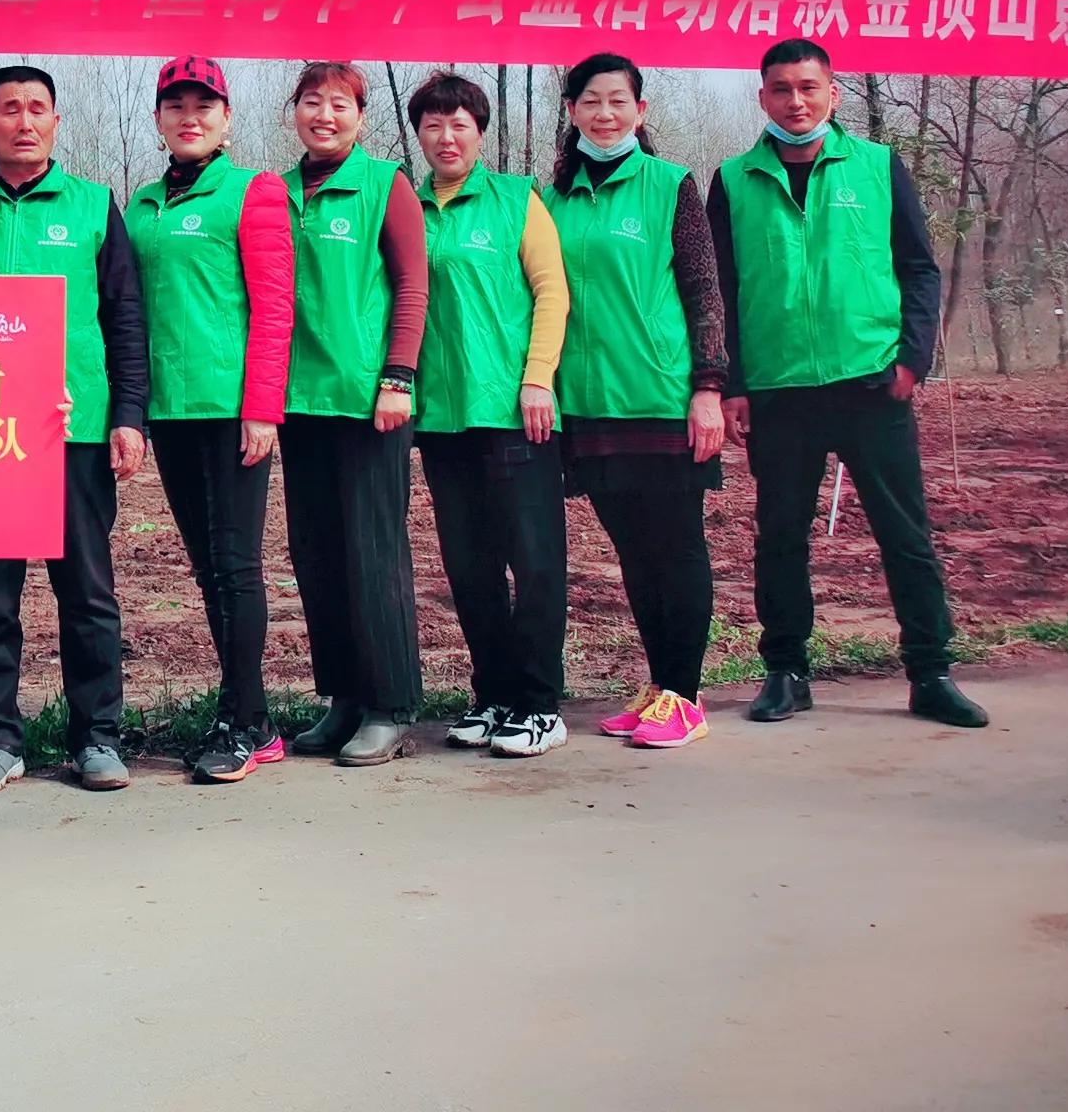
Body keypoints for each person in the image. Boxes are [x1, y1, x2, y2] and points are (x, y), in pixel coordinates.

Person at [708, 38, 985, 730]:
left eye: (808, 88)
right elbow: (722, 290)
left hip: (871, 385)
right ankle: (786, 672)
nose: (795, 101)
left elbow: (918, 268)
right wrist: (733, 382)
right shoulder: (733, 181)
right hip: (779, 392)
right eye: (781, 89)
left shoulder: (877, 167)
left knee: (905, 535)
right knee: (780, 537)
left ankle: (930, 673)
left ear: (833, 94)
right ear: (763, 97)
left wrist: (912, 358)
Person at [0, 65, 153, 795]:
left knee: (87, 590)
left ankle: (97, 736)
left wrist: (128, 416)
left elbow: (124, 317)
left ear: (56, 122)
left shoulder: (93, 205)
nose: (24, 121)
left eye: (38, 108)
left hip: (76, 429)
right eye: (9, 109)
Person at [545, 53, 732, 751]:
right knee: (633, 551)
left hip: (659, 396)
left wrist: (707, 388)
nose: (605, 114)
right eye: (591, 101)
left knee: (675, 547)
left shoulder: (669, 185)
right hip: (588, 402)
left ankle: (685, 693)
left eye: (618, 101)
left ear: (640, 110)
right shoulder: (553, 198)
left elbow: (704, 290)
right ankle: (660, 687)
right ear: (572, 112)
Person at [123, 57, 295, 783]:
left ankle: (245, 720)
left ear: (226, 119)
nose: (189, 117)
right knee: (206, 569)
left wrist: (262, 408)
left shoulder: (253, 192)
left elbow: (275, 306)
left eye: (204, 106)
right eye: (176, 106)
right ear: (159, 119)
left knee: (235, 565)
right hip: (171, 410)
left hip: (230, 411)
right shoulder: (140, 205)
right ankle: (249, 715)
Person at [405, 71, 571, 760]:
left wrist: (537, 380)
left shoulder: (515, 200)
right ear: (419, 134)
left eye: (460, 125)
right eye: (433, 126)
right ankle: (495, 694)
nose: (447, 137)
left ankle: (540, 704)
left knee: (533, 562)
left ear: (480, 132)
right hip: (442, 419)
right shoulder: (407, 206)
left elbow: (552, 292)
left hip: (512, 411)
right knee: (469, 567)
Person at [277, 61, 430, 769]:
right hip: (296, 399)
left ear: (361, 117)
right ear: (295, 113)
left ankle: (391, 703)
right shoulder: (276, 192)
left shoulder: (384, 185)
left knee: (373, 551)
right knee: (317, 553)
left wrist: (398, 376)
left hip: (368, 401)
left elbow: (412, 285)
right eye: (312, 103)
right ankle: (344, 696)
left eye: (340, 105)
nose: (325, 116)